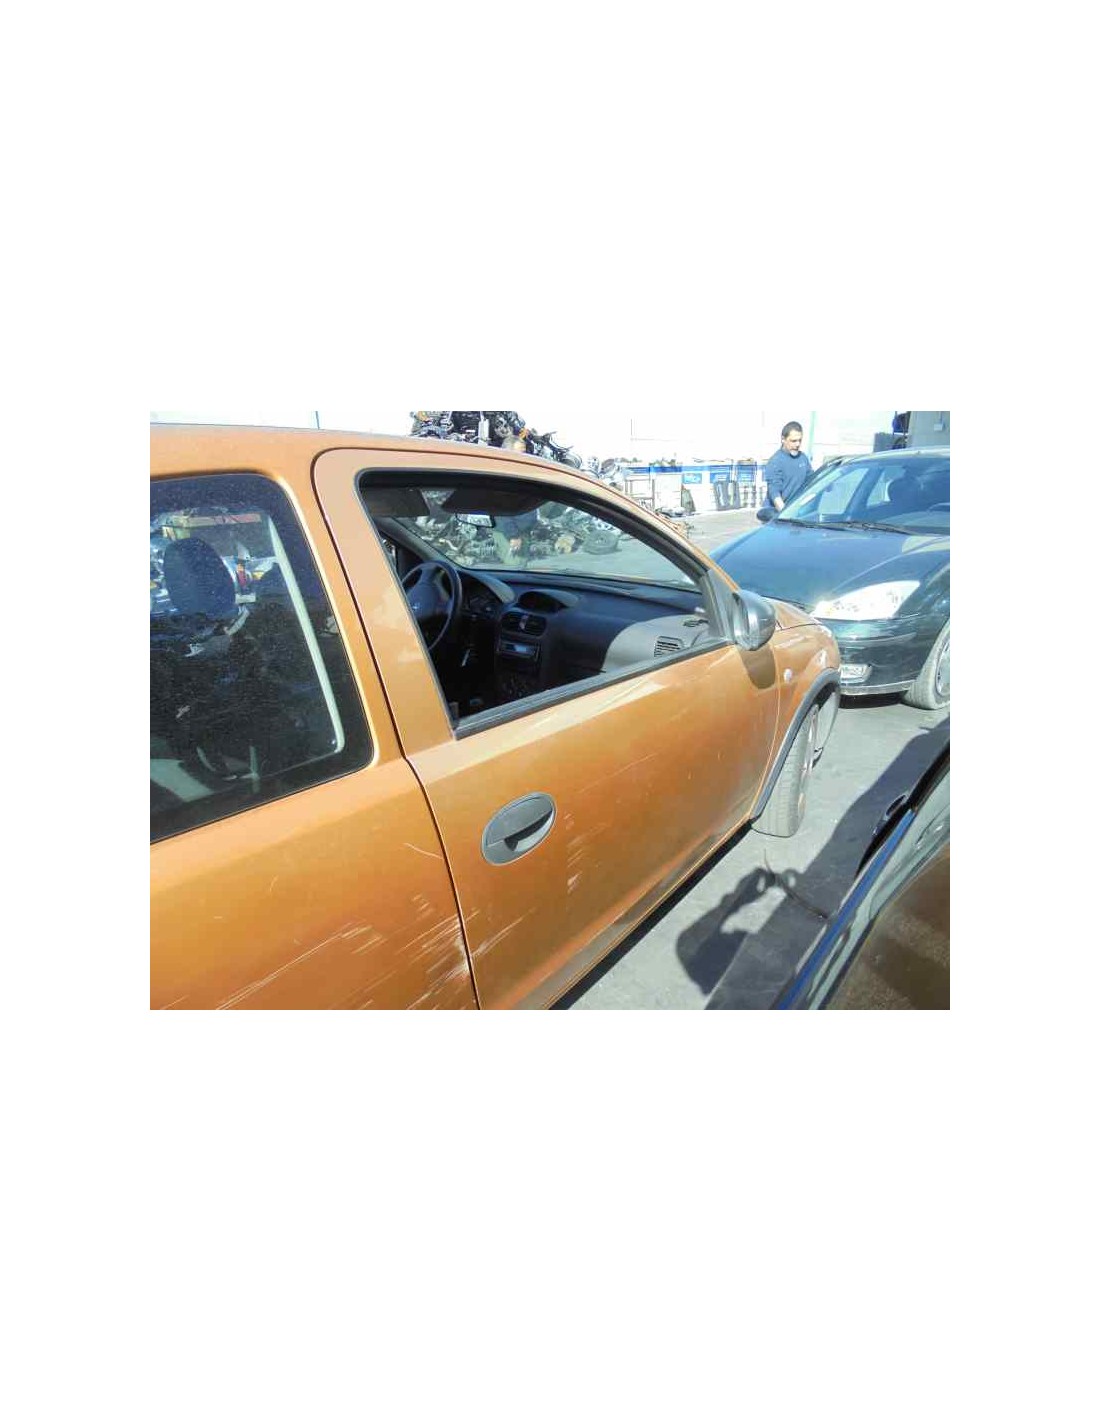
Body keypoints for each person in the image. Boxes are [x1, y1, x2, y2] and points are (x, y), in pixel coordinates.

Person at [763, 421, 813, 515]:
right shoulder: (775, 462)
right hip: (777, 514)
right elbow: (774, 493)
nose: (797, 444)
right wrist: (785, 515)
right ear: (783, 439)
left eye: (800, 440)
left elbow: (811, 481)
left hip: (796, 513)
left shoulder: (803, 458)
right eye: (793, 441)